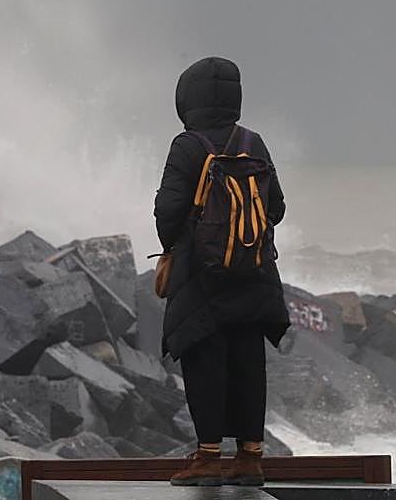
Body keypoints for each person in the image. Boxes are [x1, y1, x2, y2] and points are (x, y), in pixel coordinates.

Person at [154, 56, 290, 487]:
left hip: (203, 278)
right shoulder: (254, 141)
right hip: (256, 275)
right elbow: (278, 209)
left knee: (205, 361)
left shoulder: (187, 145)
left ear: (188, 98)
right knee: (250, 363)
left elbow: (169, 211)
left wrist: (176, 246)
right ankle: (250, 459)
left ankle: (208, 458)